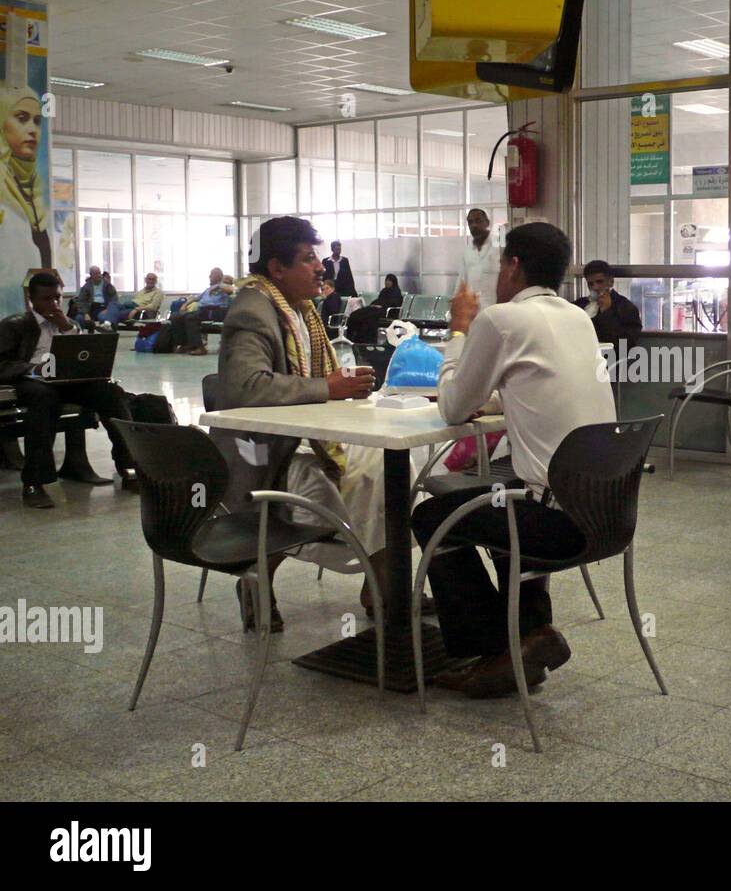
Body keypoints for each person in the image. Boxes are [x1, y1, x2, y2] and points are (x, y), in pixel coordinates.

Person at [411, 223, 616, 698]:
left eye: (501, 262)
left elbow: (452, 407)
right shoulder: (576, 318)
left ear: (514, 265)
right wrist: (502, 399)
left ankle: (491, 652)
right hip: (606, 514)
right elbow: (543, 383)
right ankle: (529, 638)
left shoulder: (501, 320)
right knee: (501, 503)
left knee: (431, 517)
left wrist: (459, 330)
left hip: (556, 523)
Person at [213, 216, 385, 631]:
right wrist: (326, 387)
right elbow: (245, 388)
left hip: (304, 437)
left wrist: (339, 388)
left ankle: (380, 586)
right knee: (317, 498)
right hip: (263, 449)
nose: (322, 267)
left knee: (388, 469)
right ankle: (256, 578)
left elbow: (310, 382)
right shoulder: (253, 310)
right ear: (276, 268)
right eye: (309, 259)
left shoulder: (300, 309)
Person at [0, 272, 134, 508]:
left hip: (68, 380)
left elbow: (84, 355)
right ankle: (34, 482)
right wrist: (34, 369)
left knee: (110, 392)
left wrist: (66, 327)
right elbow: (2, 364)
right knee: (44, 399)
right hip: (32, 381)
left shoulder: (68, 324)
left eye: (57, 298)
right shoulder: (15, 325)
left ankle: (129, 465)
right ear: (32, 300)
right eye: (46, 299)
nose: (53, 304)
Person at [0, 85, 52, 273]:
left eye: (37, 121)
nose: (32, 129)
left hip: (28, 296)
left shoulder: (34, 187)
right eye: (21, 118)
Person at [573, 259, 642, 349]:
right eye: (590, 284)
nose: (595, 287)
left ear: (611, 282)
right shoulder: (579, 304)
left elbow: (626, 344)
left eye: (599, 282)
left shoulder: (626, 308)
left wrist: (606, 312)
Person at [173, 267, 234, 356]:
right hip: (203, 311)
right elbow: (195, 298)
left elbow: (231, 291)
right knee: (176, 316)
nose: (209, 276)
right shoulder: (207, 289)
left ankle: (199, 347)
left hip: (215, 312)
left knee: (191, 318)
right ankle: (184, 344)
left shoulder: (225, 286)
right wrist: (184, 305)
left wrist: (219, 285)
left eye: (211, 274)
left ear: (218, 276)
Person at [459, 207, 500, 307]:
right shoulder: (468, 251)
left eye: (478, 221)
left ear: (487, 223)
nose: (474, 225)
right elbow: (462, 282)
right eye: (470, 222)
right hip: (474, 312)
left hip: (496, 309)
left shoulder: (499, 247)